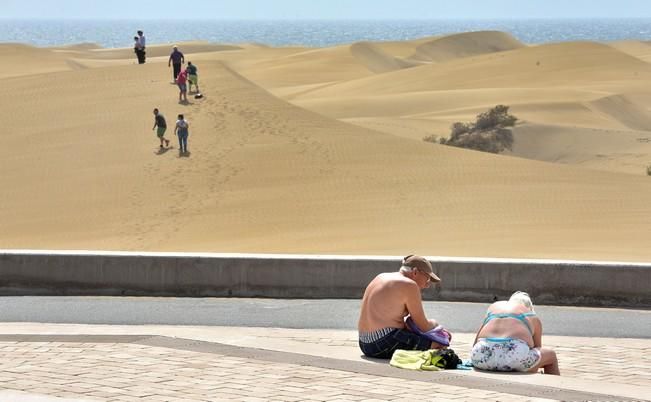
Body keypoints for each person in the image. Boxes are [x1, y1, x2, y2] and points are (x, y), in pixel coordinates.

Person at [358, 255, 447, 359]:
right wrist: (437, 326)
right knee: (440, 345)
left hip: (364, 342)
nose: (427, 285)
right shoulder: (410, 285)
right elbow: (423, 326)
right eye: (427, 278)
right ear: (415, 272)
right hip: (382, 344)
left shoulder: (381, 276)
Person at [471, 291, 560, 375]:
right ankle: (555, 386)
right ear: (529, 307)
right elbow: (537, 349)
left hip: (480, 356)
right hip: (514, 359)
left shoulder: (493, 308)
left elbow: (476, 342)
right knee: (551, 355)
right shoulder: (532, 316)